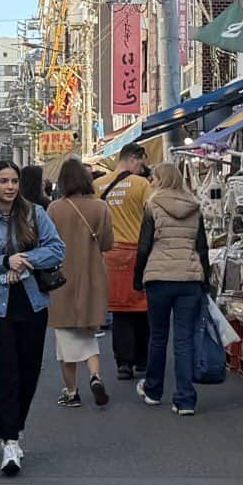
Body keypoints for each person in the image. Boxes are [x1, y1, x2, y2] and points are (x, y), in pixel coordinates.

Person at [0, 158, 66, 476]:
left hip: (33, 303)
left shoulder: (35, 215)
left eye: (14, 181)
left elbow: (57, 250)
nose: (9, 187)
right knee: (4, 371)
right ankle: (9, 439)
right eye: (3, 181)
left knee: (28, 371)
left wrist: (24, 261)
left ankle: (16, 425)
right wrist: (3, 263)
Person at [134, 161, 212, 416]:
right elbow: (202, 247)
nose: (151, 182)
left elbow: (144, 246)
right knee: (183, 339)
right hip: (189, 279)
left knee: (158, 336)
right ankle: (185, 399)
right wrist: (205, 279)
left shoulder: (152, 205)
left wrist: (138, 277)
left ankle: (154, 390)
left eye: (154, 178)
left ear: (162, 180)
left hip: (158, 278)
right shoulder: (194, 207)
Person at [45, 157, 115, 408]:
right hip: (92, 276)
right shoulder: (100, 207)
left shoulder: (55, 209)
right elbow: (107, 243)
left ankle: (72, 391)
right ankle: (95, 376)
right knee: (88, 334)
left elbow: (47, 246)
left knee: (65, 340)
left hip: (62, 280)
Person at [103, 143, 154, 380]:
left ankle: (123, 362)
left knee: (119, 309)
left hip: (110, 254)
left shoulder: (98, 185)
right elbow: (152, 215)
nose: (142, 169)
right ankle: (142, 360)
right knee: (141, 308)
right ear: (134, 159)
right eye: (142, 163)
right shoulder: (142, 185)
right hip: (137, 253)